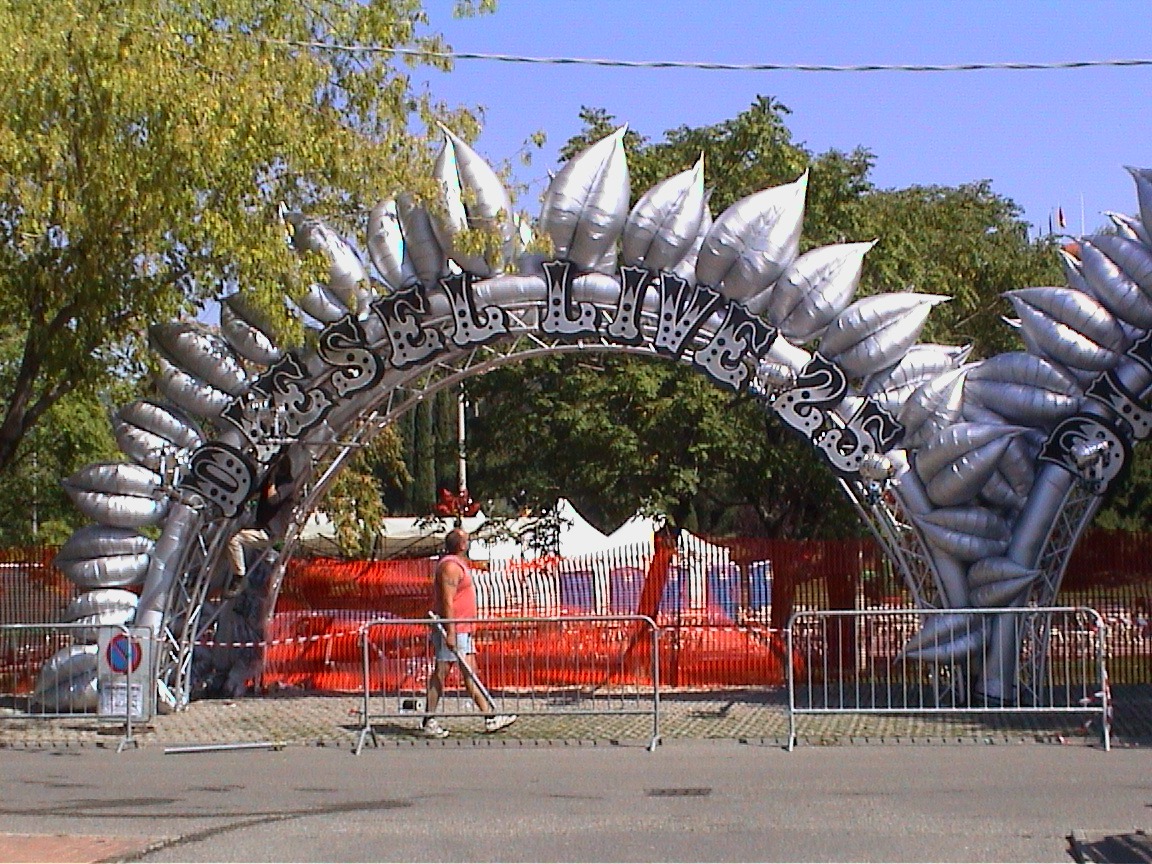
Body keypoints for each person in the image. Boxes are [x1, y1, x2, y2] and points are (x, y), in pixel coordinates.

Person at [421, 528, 517, 738]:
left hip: (464, 629)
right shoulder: (450, 567)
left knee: (471, 673)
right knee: (441, 672)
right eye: (467, 539)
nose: (469, 542)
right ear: (461, 544)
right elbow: (447, 601)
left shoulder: (459, 564)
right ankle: (429, 719)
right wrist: (450, 631)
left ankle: (490, 717)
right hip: (454, 629)